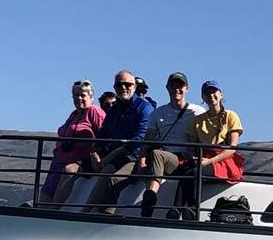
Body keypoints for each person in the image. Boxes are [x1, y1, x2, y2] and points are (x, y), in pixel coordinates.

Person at [134, 72, 206, 217]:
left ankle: (156, 200)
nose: (176, 89)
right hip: (168, 159)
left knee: (158, 155)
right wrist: (141, 161)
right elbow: (147, 141)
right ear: (167, 88)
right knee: (157, 154)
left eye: (180, 86)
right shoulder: (158, 113)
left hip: (188, 159)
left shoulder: (198, 112)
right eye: (173, 86)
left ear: (187, 88)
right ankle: (150, 197)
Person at [84, 70, 155, 213]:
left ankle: (107, 215)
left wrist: (111, 155)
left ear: (134, 87)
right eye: (119, 85)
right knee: (104, 174)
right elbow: (104, 133)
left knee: (114, 179)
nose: (123, 88)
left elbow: (139, 139)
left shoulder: (144, 108)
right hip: (119, 157)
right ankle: (86, 212)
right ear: (115, 87)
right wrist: (95, 152)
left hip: (136, 157)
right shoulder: (115, 109)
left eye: (127, 84)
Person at [172, 80, 244, 219]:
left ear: (221, 94)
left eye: (213, 92)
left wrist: (209, 161)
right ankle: (176, 210)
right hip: (203, 157)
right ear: (203, 97)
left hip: (224, 160)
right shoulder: (198, 120)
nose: (211, 95)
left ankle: (190, 209)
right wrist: (195, 158)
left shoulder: (231, 116)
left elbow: (232, 148)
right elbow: (192, 146)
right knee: (186, 172)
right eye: (207, 93)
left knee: (195, 172)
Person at [38, 80, 106, 206]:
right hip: (60, 160)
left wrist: (96, 155)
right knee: (47, 190)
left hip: (82, 161)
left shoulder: (94, 112)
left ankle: (54, 210)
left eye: (83, 95)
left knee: (68, 171)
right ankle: (41, 210)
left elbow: (104, 135)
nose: (79, 98)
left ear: (91, 96)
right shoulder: (74, 115)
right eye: (76, 95)